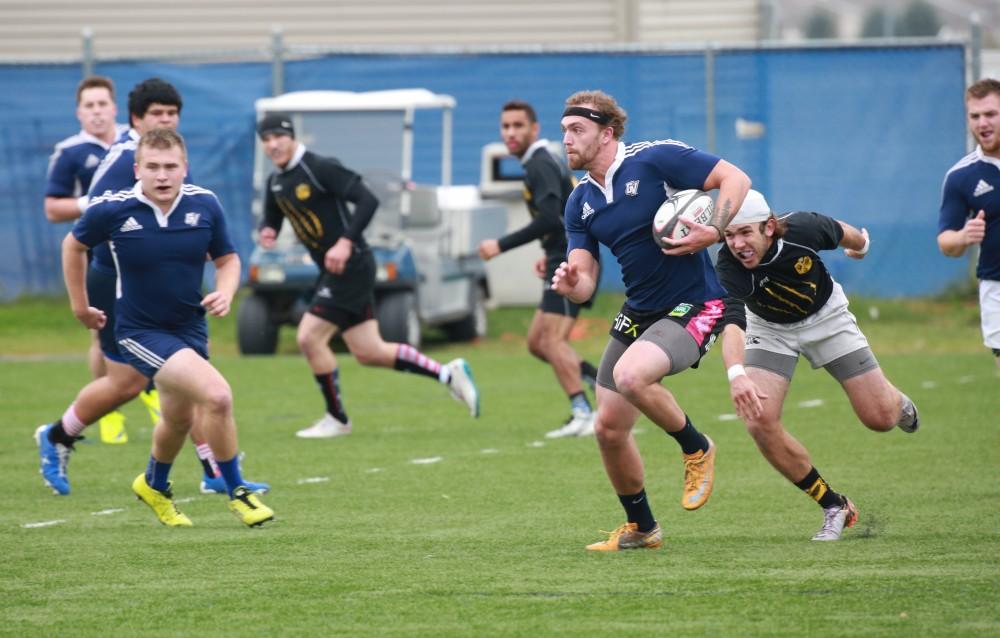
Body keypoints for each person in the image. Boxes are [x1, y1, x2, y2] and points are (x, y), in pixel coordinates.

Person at [35, 78, 268, 496]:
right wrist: (85, 300)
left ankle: (207, 468)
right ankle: (58, 435)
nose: (164, 120)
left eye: (171, 114)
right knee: (141, 380)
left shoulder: (171, 157)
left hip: (162, 283)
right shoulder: (128, 159)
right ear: (136, 120)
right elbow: (96, 224)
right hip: (118, 278)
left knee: (164, 380)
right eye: (155, 114)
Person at [550, 90, 751, 551]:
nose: (566, 139)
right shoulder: (579, 202)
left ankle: (696, 446)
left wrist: (716, 230)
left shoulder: (655, 159)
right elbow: (585, 280)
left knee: (631, 375)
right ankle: (643, 528)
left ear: (608, 133)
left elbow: (734, 178)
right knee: (608, 426)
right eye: (563, 130)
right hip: (639, 310)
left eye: (576, 130)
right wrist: (571, 282)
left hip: (696, 304)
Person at [256, 112, 480, 438]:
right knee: (369, 352)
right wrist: (268, 231)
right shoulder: (276, 181)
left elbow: (367, 199)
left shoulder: (320, 167)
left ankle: (337, 419)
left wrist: (345, 242)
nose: (273, 144)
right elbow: (272, 215)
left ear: (292, 136)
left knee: (308, 336)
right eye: (266, 139)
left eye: (278, 136)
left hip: (352, 266)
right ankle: (449, 374)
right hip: (334, 270)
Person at [716, 190, 920, 541]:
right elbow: (733, 323)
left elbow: (843, 232)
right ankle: (834, 505)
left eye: (745, 232)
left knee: (880, 419)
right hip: (769, 329)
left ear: (768, 227)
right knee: (759, 420)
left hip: (827, 318)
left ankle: (895, 402)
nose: (737, 244)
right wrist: (736, 375)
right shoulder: (727, 266)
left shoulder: (804, 229)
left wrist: (862, 246)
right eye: (729, 235)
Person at [478, 100, 598, 439]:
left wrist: (499, 245)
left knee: (551, 340)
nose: (511, 133)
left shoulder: (539, 164)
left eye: (518, 126)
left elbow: (549, 218)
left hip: (570, 263)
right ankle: (604, 383)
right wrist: (550, 249)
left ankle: (583, 411)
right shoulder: (539, 163)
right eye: (506, 127)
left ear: (535, 129)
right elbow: (560, 217)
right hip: (559, 255)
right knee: (536, 343)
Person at [43, 75, 131, 444]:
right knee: (103, 335)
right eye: (89, 106)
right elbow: (52, 208)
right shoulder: (71, 151)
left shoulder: (136, 143)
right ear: (79, 113)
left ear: (115, 108)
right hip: (101, 256)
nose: (97, 112)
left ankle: (153, 392)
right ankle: (109, 409)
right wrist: (94, 202)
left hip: (141, 252)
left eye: (102, 104)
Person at [938, 78, 1000, 370]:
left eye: (991, 114)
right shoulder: (961, 176)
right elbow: (945, 241)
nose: (982, 123)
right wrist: (964, 236)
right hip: (996, 287)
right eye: (975, 116)